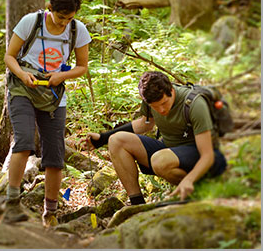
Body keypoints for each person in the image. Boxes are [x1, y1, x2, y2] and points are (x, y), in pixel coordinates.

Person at [3, 0, 91, 227]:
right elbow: (10, 57)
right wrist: (22, 75)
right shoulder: (31, 22)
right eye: (60, 16)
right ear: (50, 8)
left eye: (69, 18)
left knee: (54, 155)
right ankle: (12, 203)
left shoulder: (77, 30)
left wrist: (60, 76)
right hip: (24, 89)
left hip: (53, 95)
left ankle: (49, 212)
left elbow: (82, 66)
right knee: (23, 142)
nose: (64, 22)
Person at [84, 71, 227, 205]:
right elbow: (144, 125)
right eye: (155, 107)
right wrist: (102, 138)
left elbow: (207, 155)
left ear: (171, 90)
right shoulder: (150, 100)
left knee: (159, 160)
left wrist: (188, 180)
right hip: (171, 150)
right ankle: (137, 204)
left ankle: (200, 191)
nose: (162, 110)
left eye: (164, 103)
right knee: (116, 140)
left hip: (201, 155)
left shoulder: (195, 104)